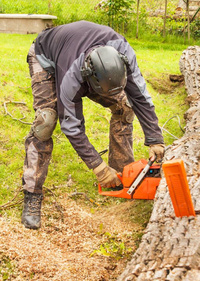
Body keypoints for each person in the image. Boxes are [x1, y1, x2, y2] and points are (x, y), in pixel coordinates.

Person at [21, 20, 165, 230]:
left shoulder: (124, 53)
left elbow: (141, 96)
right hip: (46, 58)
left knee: (125, 107)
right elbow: (71, 125)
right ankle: (32, 193)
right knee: (47, 121)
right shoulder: (71, 74)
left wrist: (155, 139)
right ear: (89, 80)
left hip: (83, 60)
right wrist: (97, 167)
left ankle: (122, 174)